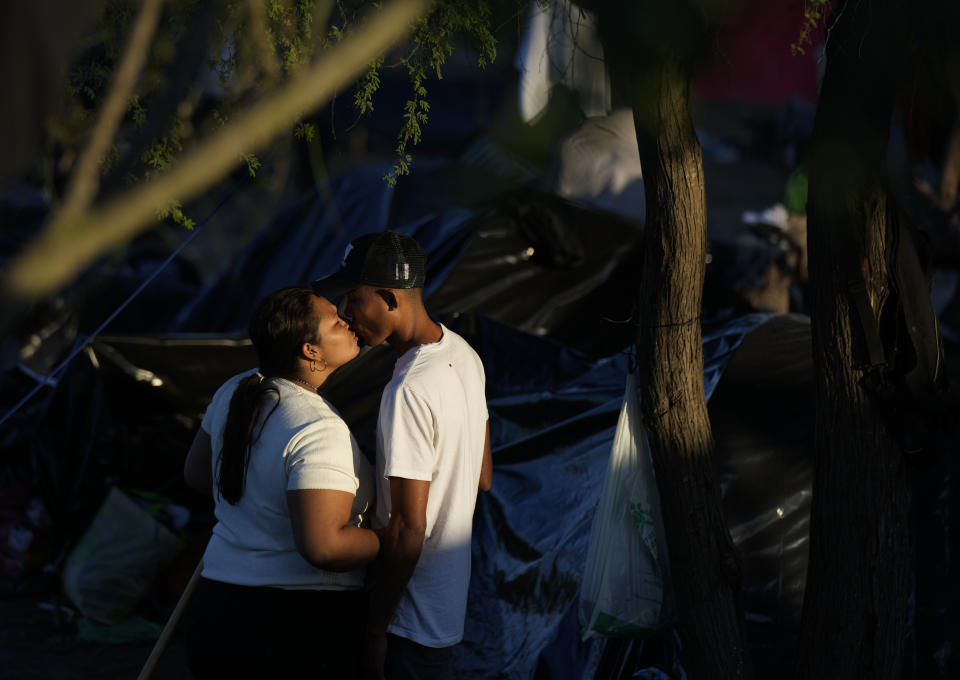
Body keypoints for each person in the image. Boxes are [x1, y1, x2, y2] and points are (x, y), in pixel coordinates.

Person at [312, 230, 493, 680]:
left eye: (354, 300)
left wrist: (377, 626)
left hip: (407, 618)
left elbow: (410, 527)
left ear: (389, 298)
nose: (347, 316)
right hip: (445, 604)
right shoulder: (464, 354)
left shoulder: (408, 389)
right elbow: (483, 475)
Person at [181, 286, 378, 679]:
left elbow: (198, 474)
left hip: (217, 602)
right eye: (337, 322)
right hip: (295, 623)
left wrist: (258, 509)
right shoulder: (317, 426)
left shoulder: (236, 389)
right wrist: (392, 537)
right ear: (310, 351)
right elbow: (324, 547)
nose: (349, 322)